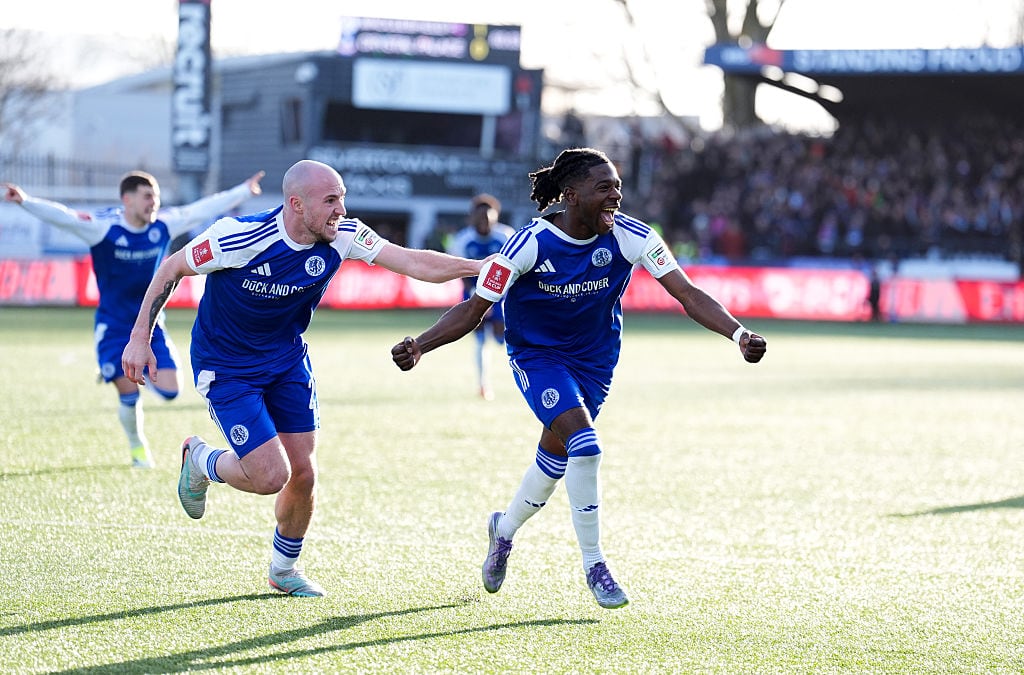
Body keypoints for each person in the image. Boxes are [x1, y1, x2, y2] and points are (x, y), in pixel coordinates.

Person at [391, 148, 767, 609]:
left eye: (618, 188)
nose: (615, 197)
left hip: (595, 364)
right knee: (585, 446)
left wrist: (738, 333)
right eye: (604, 188)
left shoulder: (633, 237)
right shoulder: (528, 244)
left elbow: (687, 294)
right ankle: (595, 565)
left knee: (554, 460)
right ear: (571, 194)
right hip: (539, 357)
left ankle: (503, 531)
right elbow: (475, 309)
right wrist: (421, 345)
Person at [121, 159, 483, 598]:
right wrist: (140, 338)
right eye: (331, 200)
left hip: (287, 360)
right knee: (270, 475)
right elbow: (170, 270)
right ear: (296, 204)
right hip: (227, 366)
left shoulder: (345, 236)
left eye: (342, 199)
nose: (341, 210)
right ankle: (200, 461)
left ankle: (284, 570)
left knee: (304, 473)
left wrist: (479, 268)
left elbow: (412, 263)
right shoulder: (237, 237)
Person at [3, 170, 265, 468]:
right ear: (127, 200)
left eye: (156, 197)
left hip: (152, 325)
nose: (154, 203)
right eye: (147, 196)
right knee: (128, 391)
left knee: (169, 390)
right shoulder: (103, 228)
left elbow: (202, 208)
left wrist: (243, 190)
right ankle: (137, 447)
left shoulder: (163, 225)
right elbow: (63, 217)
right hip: (114, 326)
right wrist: (25, 201)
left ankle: (121, 370)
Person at [445, 193, 516, 399]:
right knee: (480, 340)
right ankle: (483, 384)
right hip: (473, 295)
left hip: (502, 296)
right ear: (472, 217)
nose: (485, 221)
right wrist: (478, 298)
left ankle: (522, 378)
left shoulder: (506, 236)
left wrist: (496, 299)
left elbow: (513, 271)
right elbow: (461, 272)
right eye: (480, 217)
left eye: (489, 216)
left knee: (507, 337)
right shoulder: (462, 240)